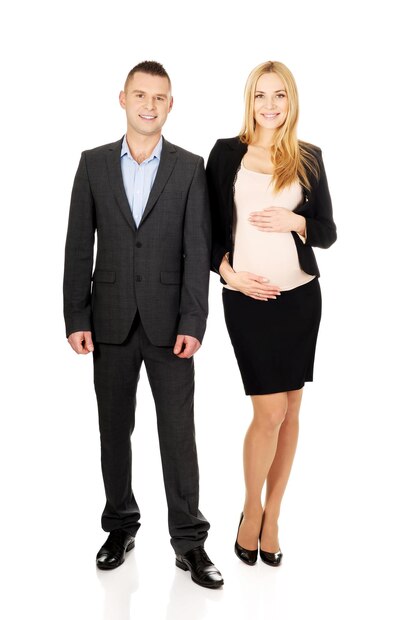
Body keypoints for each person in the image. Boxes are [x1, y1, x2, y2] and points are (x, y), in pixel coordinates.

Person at [63, 61, 223, 589]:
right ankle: (119, 527)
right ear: (123, 99)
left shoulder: (189, 167)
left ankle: (190, 542)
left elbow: (198, 248)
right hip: (107, 322)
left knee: (179, 435)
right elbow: (76, 247)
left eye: (159, 97)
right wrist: (75, 316)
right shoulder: (92, 165)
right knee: (115, 431)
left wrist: (194, 322)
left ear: (171, 105)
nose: (149, 105)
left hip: (170, 327)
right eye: (140, 95)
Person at [206, 61, 337, 567]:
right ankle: (249, 509)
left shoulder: (309, 157)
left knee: (293, 411)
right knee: (269, 411)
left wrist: (295, 219)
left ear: (291, 101)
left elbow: (326, 230)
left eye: (279, 95)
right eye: (261, 95)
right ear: (249, 100)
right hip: (247, 301)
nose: (269, 105)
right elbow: (207, 229)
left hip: (301, 299)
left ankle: (274, 515)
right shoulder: (225, 154)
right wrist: (227, 273)